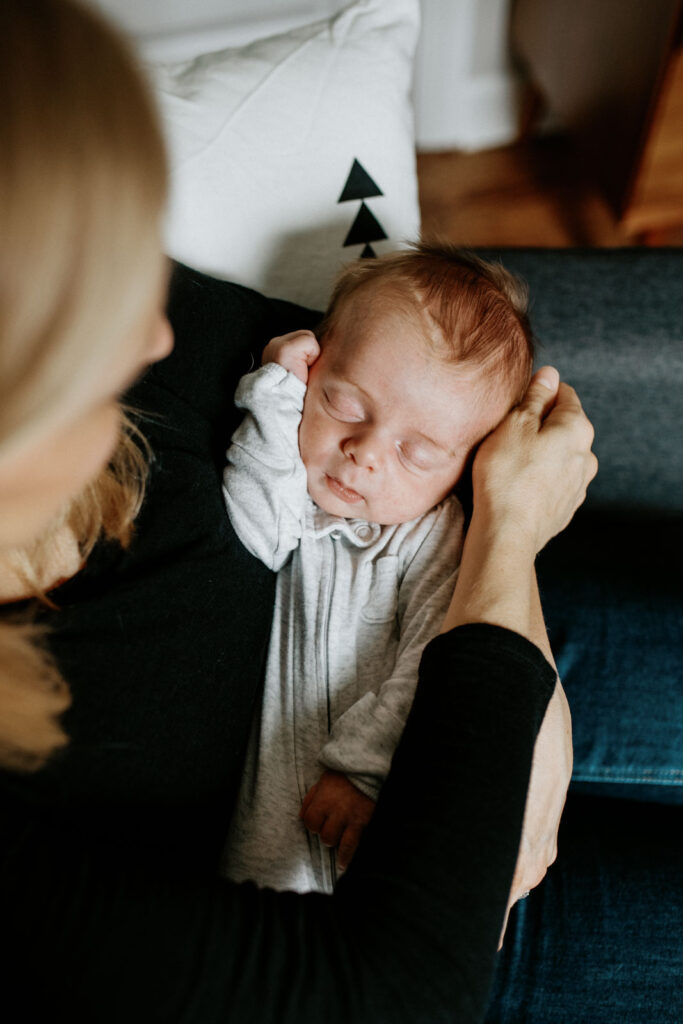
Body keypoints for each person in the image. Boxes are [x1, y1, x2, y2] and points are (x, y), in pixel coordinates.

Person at [0, 2, 597, 1021]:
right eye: (104, 286)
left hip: (453, 680)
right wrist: (504, 558)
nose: (156, 334)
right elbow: (398, 992)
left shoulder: (134, 343)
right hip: (347, 908)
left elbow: (388, 356)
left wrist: (487, 561)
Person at [221, 246, 538, 893]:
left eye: (416, 452)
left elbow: (434, 658)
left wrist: (362, 770)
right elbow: (252, 526)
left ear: (465, 467)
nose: (363, 454)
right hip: (256, 836)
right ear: (316, 362)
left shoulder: (431, 537)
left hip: (381, 809)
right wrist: (277, 391)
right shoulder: (294, 497)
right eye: (343, 404)